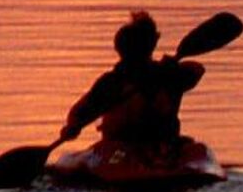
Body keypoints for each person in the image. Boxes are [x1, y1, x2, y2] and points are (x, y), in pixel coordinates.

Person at [59, 11, 205, 150]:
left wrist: (170, 66)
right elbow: (80, 111)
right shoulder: (112, 82)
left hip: (163, 145)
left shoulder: (168, 75)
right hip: (119, 148)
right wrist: (73, 126)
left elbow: (196, 70)